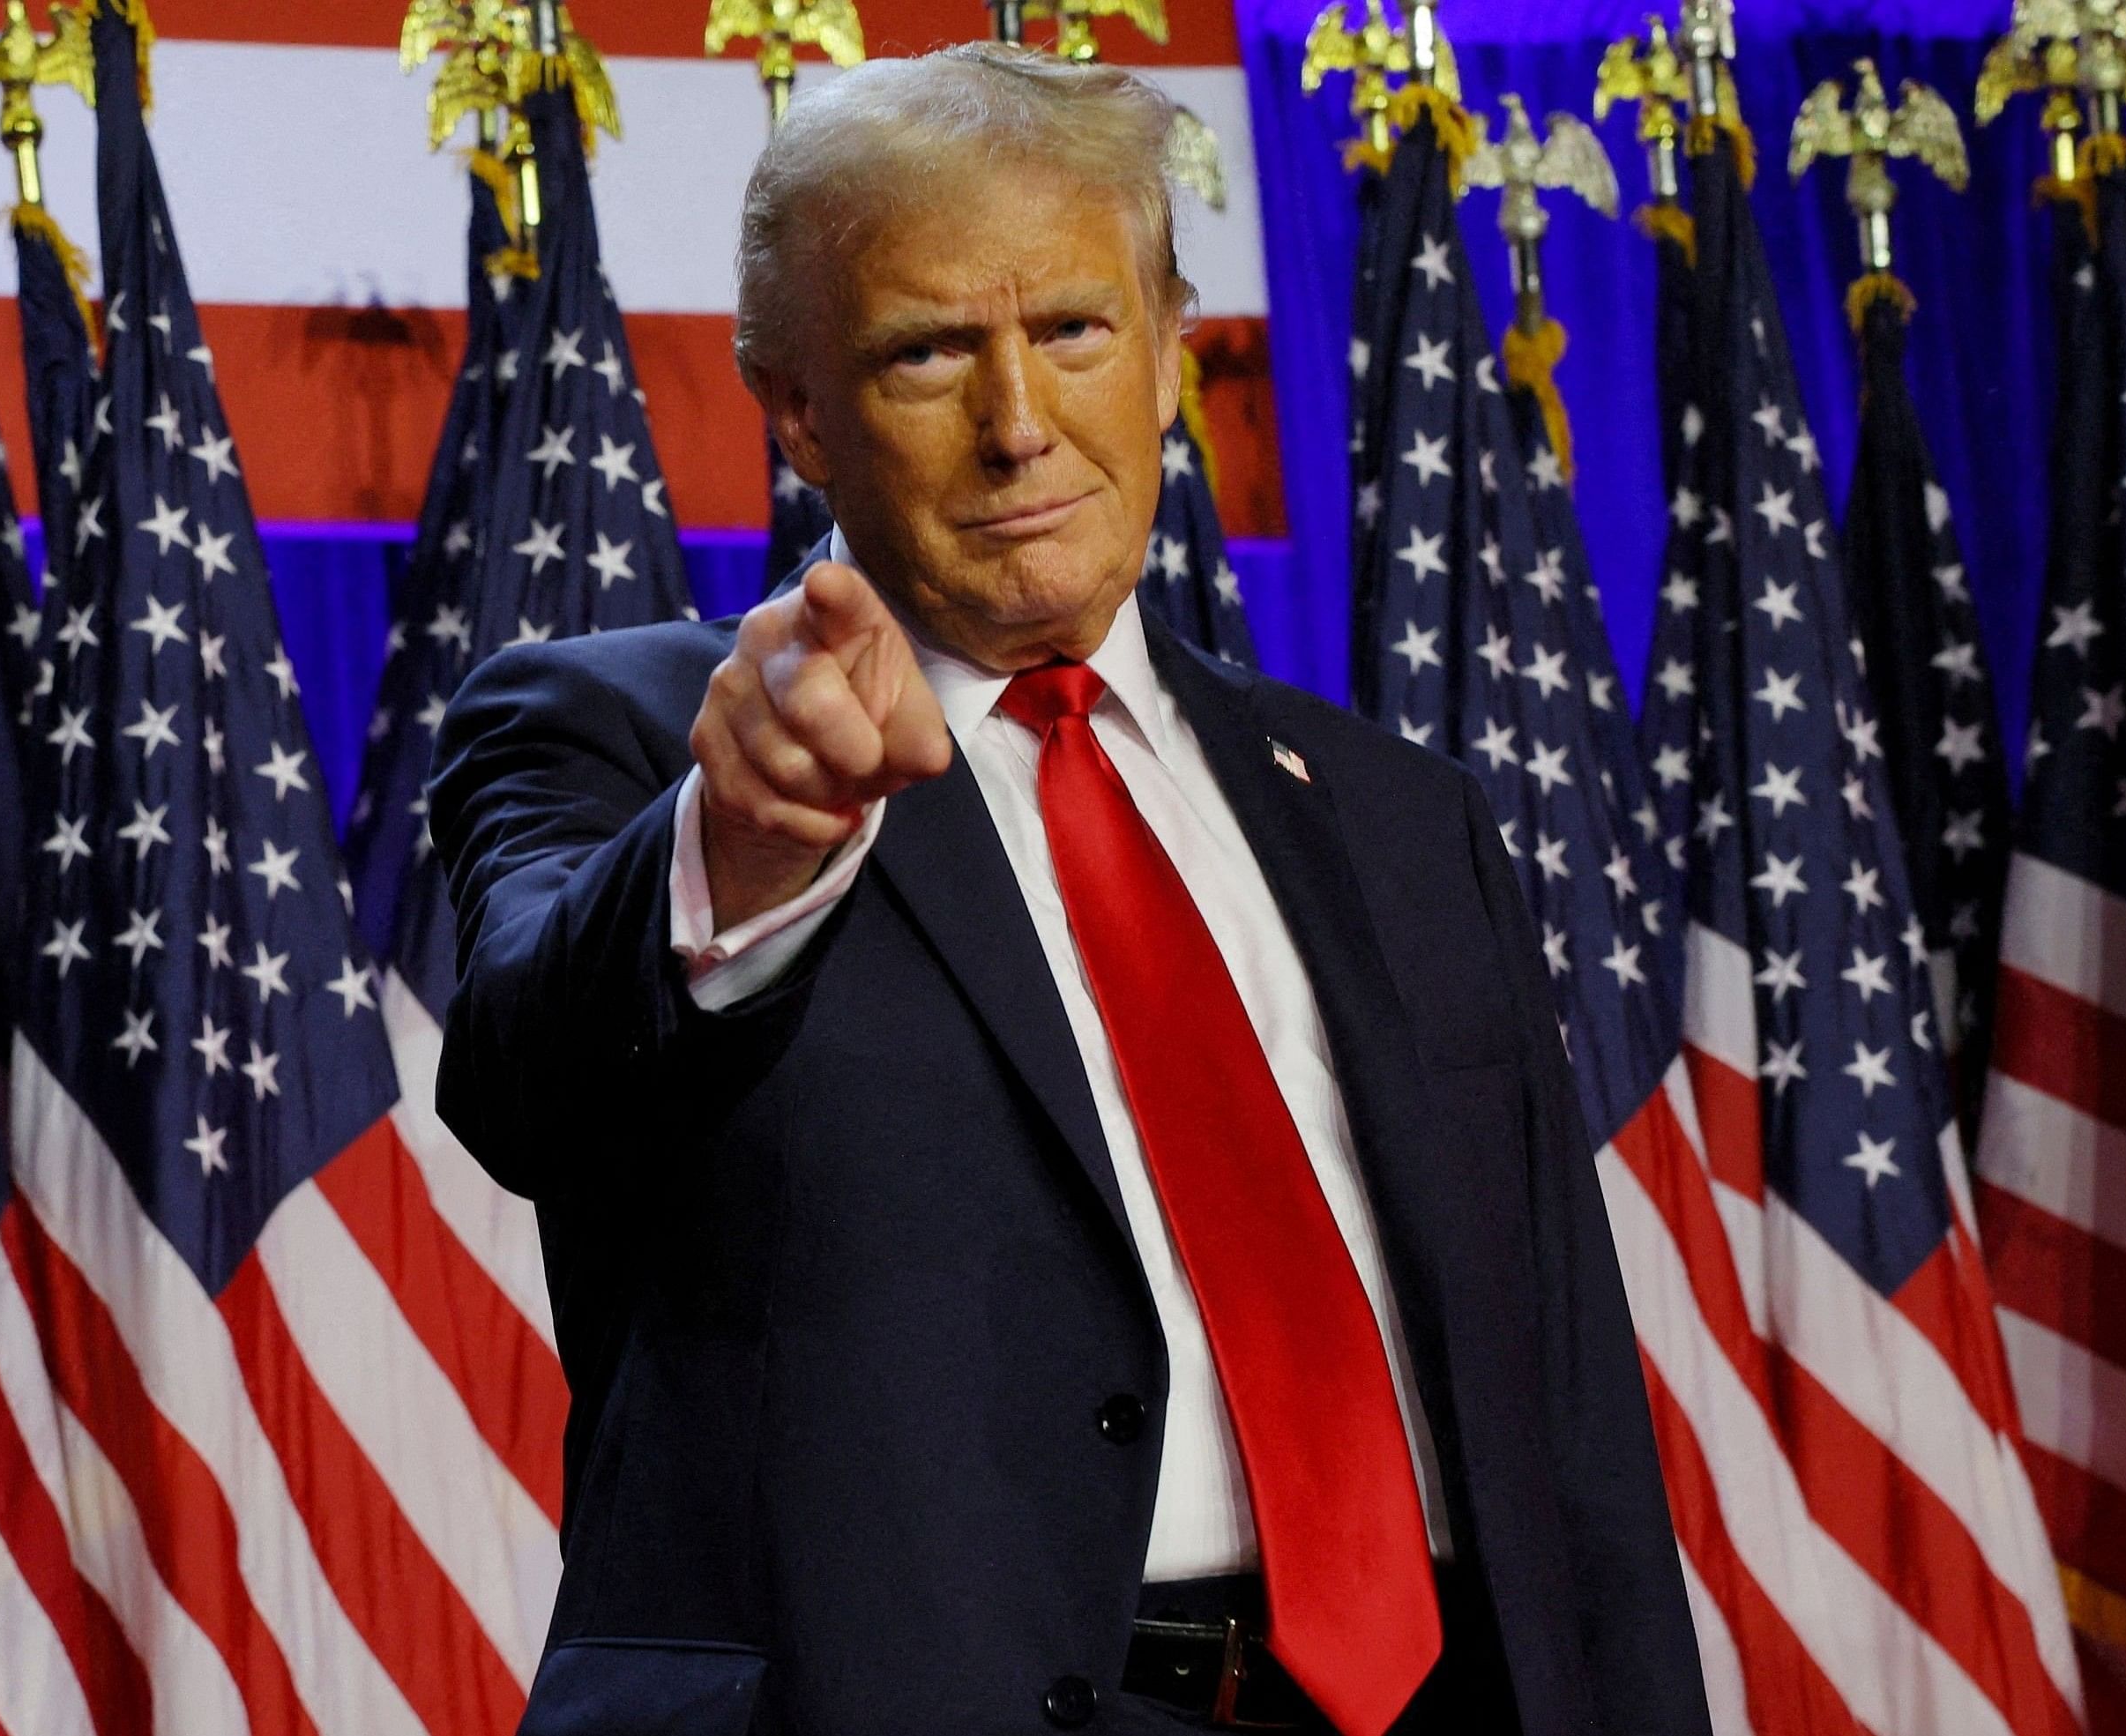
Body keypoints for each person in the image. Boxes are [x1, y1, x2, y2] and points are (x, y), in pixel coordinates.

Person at [427, 43, 1710, 1736]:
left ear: (1172, 348)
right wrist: (740, 850)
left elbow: (1567, 1418)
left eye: (1076, 332)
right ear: (800, 409)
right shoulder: (628, 737)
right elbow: (533, 1076)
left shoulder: (1403, 820)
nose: (1019, 422)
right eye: (929, 350)